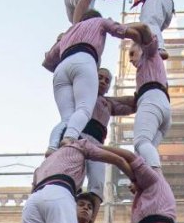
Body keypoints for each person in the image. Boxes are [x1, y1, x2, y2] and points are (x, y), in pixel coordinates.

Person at [43, 12, 151, 148]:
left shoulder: (69, 33)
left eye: (106, 80)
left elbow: (47, 62)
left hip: (62, 66)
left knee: (66, 118)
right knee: (83, 109)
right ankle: (69, 138)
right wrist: (144, 44)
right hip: (85, 59)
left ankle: (52, 146)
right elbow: (125, 31)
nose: (103, 82)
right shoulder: (100, 22)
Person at [20, 140, 130, 223]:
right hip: (59, 192)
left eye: (89, 207)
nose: (85, 209)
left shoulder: (46, 163)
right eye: (81, 204)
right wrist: (136, 180)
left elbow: (34, 190)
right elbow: (119, 160)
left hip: (33, 200)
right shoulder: (80, 144)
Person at [48, 68, 135, 201]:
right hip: (80, 138)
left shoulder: (109, 104)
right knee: (73, 176)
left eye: (107, 81)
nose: (103, 82)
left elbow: (132, 104)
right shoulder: (83, 94)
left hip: (98, 144)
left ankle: (90, 217)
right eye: (99, 77)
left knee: (98, 185)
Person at [95, 145, 180, 223]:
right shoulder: (148, 202)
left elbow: (126, 157)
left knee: (142, 141)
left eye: (132, 180)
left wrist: (95, 146)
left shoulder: (153, 180)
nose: (130, 186)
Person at [127, 30, 170, 169]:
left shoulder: (150, 54)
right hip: (163, 105)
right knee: (143, 152)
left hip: (152, 99)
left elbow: (146, 29)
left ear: (142, 48)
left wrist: (123, 29)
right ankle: (147, 184)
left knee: (141, 142)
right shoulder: (150, 67)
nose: (130, 59)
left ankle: (157, 182)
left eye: (132, 53)